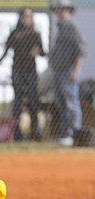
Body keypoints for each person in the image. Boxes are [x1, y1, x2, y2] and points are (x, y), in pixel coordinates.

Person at [0, 8, 45, 141]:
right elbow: (6, 51)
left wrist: (37, 52)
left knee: (33, 100)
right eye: (25, 16)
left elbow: (43, 52)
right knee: (18, 101)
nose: (27, 19)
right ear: (20, 18)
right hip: (18, 71)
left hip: (31, 71)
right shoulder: (15, 34)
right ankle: (17, 132)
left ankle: (35, 132)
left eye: (30, 16)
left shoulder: (35, 34)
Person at [48, 0, 87, 147]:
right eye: (58, 10)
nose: (60, 12)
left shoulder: (72, 27)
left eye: (63, 10)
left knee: (71, 103)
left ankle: (74, 134)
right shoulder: (60, 27)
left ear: (68, 11)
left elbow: (81, 51)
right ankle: (65, 134)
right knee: (61, 104)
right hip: (58, 71)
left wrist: (76, 71)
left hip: (68, 71)